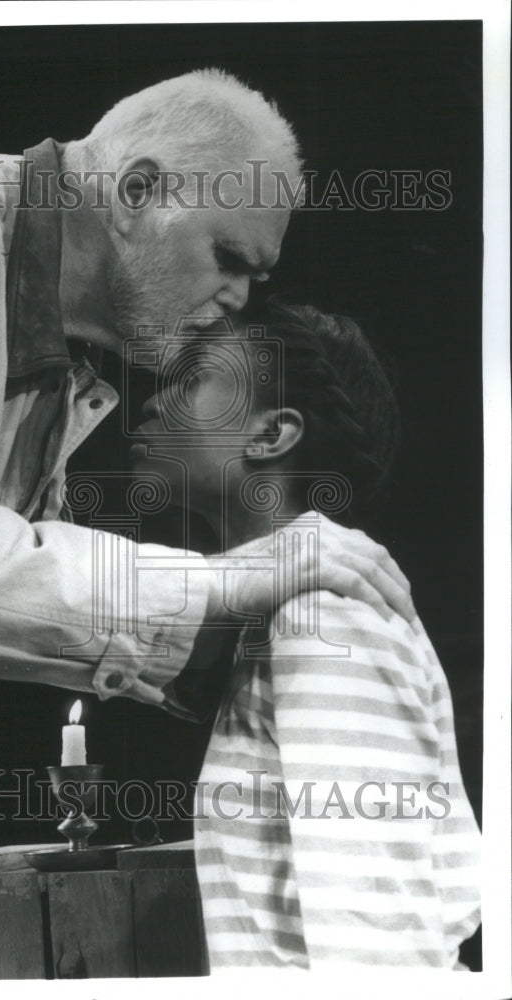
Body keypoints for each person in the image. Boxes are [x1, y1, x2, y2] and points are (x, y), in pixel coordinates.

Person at [0, 70, 414, 978]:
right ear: (137, 191)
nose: (240, 297)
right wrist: (222, 588)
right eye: (228, 255)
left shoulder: (51, 358)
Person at [128, 301, 481, 969]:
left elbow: (371, 930)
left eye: (191, 379)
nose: (151, 405)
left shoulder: (323, 615)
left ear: (270, 434)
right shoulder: (273, 609)